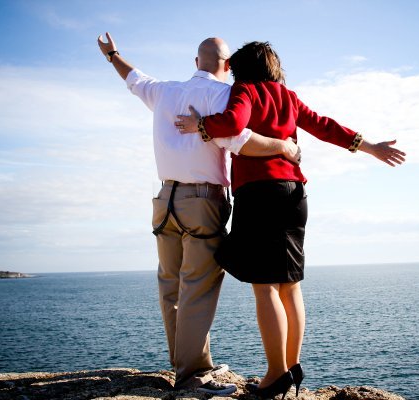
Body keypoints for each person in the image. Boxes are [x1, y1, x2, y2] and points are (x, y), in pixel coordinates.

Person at [176, 41, 406, 398]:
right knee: (290, 284)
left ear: (243, 69)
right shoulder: (288, 96)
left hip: (260, 193)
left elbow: (235, 122)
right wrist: (370, 147)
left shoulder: (246, 90)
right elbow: (324, 126)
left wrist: (201, 125)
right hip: (295, 194)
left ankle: (273, 376)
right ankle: (292, 368)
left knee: (265, 285)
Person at [97, 34, 301, 395]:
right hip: (202, 200)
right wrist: (284, 147)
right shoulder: (225, 94)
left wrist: (113, 54)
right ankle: (192, 375)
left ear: (196, 62)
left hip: (164, 198)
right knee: (198, 289)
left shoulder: (164, 91)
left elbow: (133, 78)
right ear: (227, 67)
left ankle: (184, 365)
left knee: (170, 287)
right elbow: (241, 139)